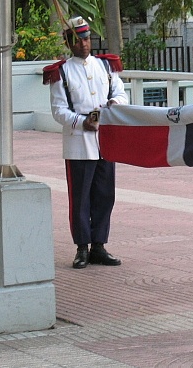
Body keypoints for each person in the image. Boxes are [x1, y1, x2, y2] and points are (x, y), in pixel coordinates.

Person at [44, 16, 128, 269]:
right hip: (79, 143)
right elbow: (59, 111)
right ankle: (82, 247)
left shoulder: (105, 67)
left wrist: (113, 105)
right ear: (69, 42)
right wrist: (83, 122)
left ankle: (99, 246)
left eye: (86, 38)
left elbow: (121, 94)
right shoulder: (61, 72)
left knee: (104, 195)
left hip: (106, 141)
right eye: (78, 40)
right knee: (80, 198)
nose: (83, 44)